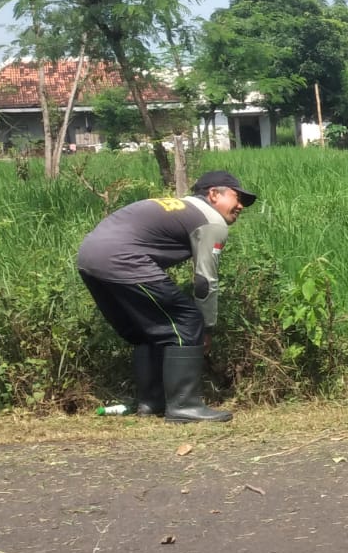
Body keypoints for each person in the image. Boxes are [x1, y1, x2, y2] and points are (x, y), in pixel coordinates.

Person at [75, 170, 256, 423]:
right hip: (122, 259)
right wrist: (208, 327)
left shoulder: (179, 207)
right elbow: (205, 281)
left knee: (147, 329)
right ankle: (184, 406)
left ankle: (151, 402)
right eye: (237, 198)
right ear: (213, 194)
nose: (240, 207)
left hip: (88, 258)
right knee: (188, 320)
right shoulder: (211, 220)